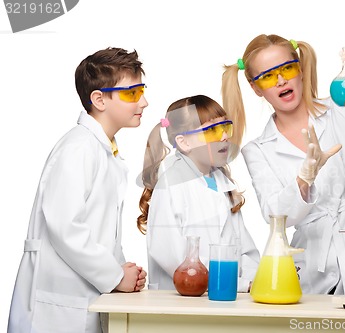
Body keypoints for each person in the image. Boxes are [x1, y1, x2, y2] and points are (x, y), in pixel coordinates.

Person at [221, 34, 345, 295]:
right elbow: (275, 216)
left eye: (286, 68)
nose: (281, 80)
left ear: (300, 68)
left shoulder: (341, 109)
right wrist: (304, 178)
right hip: (315, 269)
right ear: (256, 88)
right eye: (267, 76)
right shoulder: (257, 149)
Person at [8, 47, 148, 333]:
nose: (144, 102)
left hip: (85, 296)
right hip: (58, 306)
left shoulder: (102, 150)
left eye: (141, 90)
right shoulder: (78, 148)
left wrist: (123, 271)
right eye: (132, 93)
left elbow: (98, 231)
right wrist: (114, 276)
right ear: (99, 99)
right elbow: (66, 227)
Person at [137, 95, 260, 293]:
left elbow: (247, 252)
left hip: (228, 298)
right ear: (184, 143)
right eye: (212, 130)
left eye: (225, 127)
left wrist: (252, 280)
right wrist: (240, 285)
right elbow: (176, 261)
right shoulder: (171, 185)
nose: (224, 137)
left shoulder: (221, 183)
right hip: (183, 306)